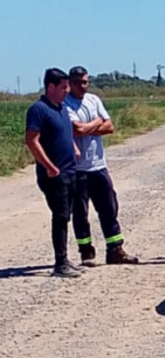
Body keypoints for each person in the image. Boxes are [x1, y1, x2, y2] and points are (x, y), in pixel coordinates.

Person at [64, 66, 139, 266]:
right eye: (78, 82)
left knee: (109, 208)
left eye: (85, 82)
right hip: (78, 168)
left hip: (99, 166)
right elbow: (77, 130)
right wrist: (97, 122)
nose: (82, 86)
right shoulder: (66, 104)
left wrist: (92, 126)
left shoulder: (94, 100)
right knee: (80, 212)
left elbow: (110, 127)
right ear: (70, 83)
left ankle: (115, 250)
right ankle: (86, 251)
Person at [25, 68, 84, 278]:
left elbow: (64, 132)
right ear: (51, 87)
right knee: (59, 217)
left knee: (66, 216)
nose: (67, 91)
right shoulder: (38, 110)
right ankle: (60, 264)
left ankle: (65, 259)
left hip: (70, 170)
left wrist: (73, 148)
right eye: (64, 87)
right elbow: (32, 140)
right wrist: (49, 166)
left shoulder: (60, 108)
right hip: (53, 174)